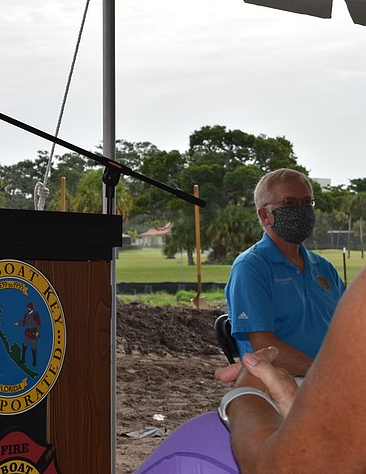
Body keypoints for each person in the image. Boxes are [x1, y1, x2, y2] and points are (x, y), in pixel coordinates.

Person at [135, 266, 366, 473]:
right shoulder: (251, 267)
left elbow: (279, 468)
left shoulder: (325, 270)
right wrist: (300, 393)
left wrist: (245, 392)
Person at [224, 168, 345, 376]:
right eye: (290, 203)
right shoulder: (250, 267)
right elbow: (264, 347)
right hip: (281, 383)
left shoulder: (322, 267)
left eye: (308, 202)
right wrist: (325, 375)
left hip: (333, 379)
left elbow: (351, 325)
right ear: (265, 215)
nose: (303, 210)